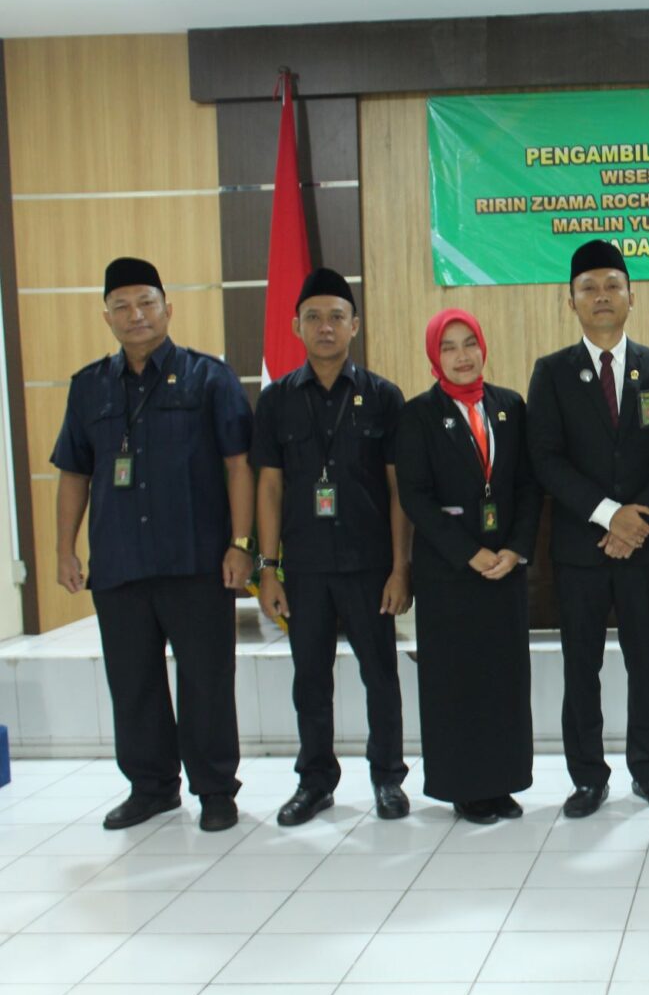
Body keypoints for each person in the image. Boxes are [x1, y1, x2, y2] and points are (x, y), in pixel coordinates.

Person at [52, 257, 253, 832]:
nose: (135, 315)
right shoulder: (88, 386)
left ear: (168, 309)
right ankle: (152, 787)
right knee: (133, 683)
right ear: (107, 317)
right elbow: (74, 473)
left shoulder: (209, 378)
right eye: (121, 306)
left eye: (146, 303)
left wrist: (241, 544)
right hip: (120, 562)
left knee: (206, 681)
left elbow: (239, 465)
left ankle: (215, 789)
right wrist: (64, 549)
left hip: (196, 560)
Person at [527, 241, 649, 818]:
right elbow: (545, 459)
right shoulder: (551, 373)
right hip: (580, 548)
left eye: (612, 285)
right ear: (570, 300)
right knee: (582, 667)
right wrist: (607, 514)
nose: (601, 296)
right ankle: (588, 778)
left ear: (631, 297)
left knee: (646, 663)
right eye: (589, 287)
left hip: (644, 544)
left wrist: (636, 520)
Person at [252, 268, 413, 826]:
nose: (325, 327)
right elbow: (269, 488)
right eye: (314, 317)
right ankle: (315, 782)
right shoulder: (275, 401)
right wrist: (267, 570)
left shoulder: (383, 397)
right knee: (310, 679)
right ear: (296, 326)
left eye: (336, 317)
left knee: (381, 676)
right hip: (305, 567)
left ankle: (388, 778)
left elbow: (398, 491)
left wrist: (400, 568)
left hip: (369, 565)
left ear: (354, 326)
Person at [394, 309, 542, 823]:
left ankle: (502, 781)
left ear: (483, 347)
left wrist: (516, 549)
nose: (462, 356)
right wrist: (468, 552)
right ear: (435, 357)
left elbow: (527, 485)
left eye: (469, 343)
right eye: (449, 347)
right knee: (457, 682)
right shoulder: (418, 415)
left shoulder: (510, 406)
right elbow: (415, 497)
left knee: (503, 680)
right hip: (450, 574)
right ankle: (465, 787)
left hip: (505, 570)